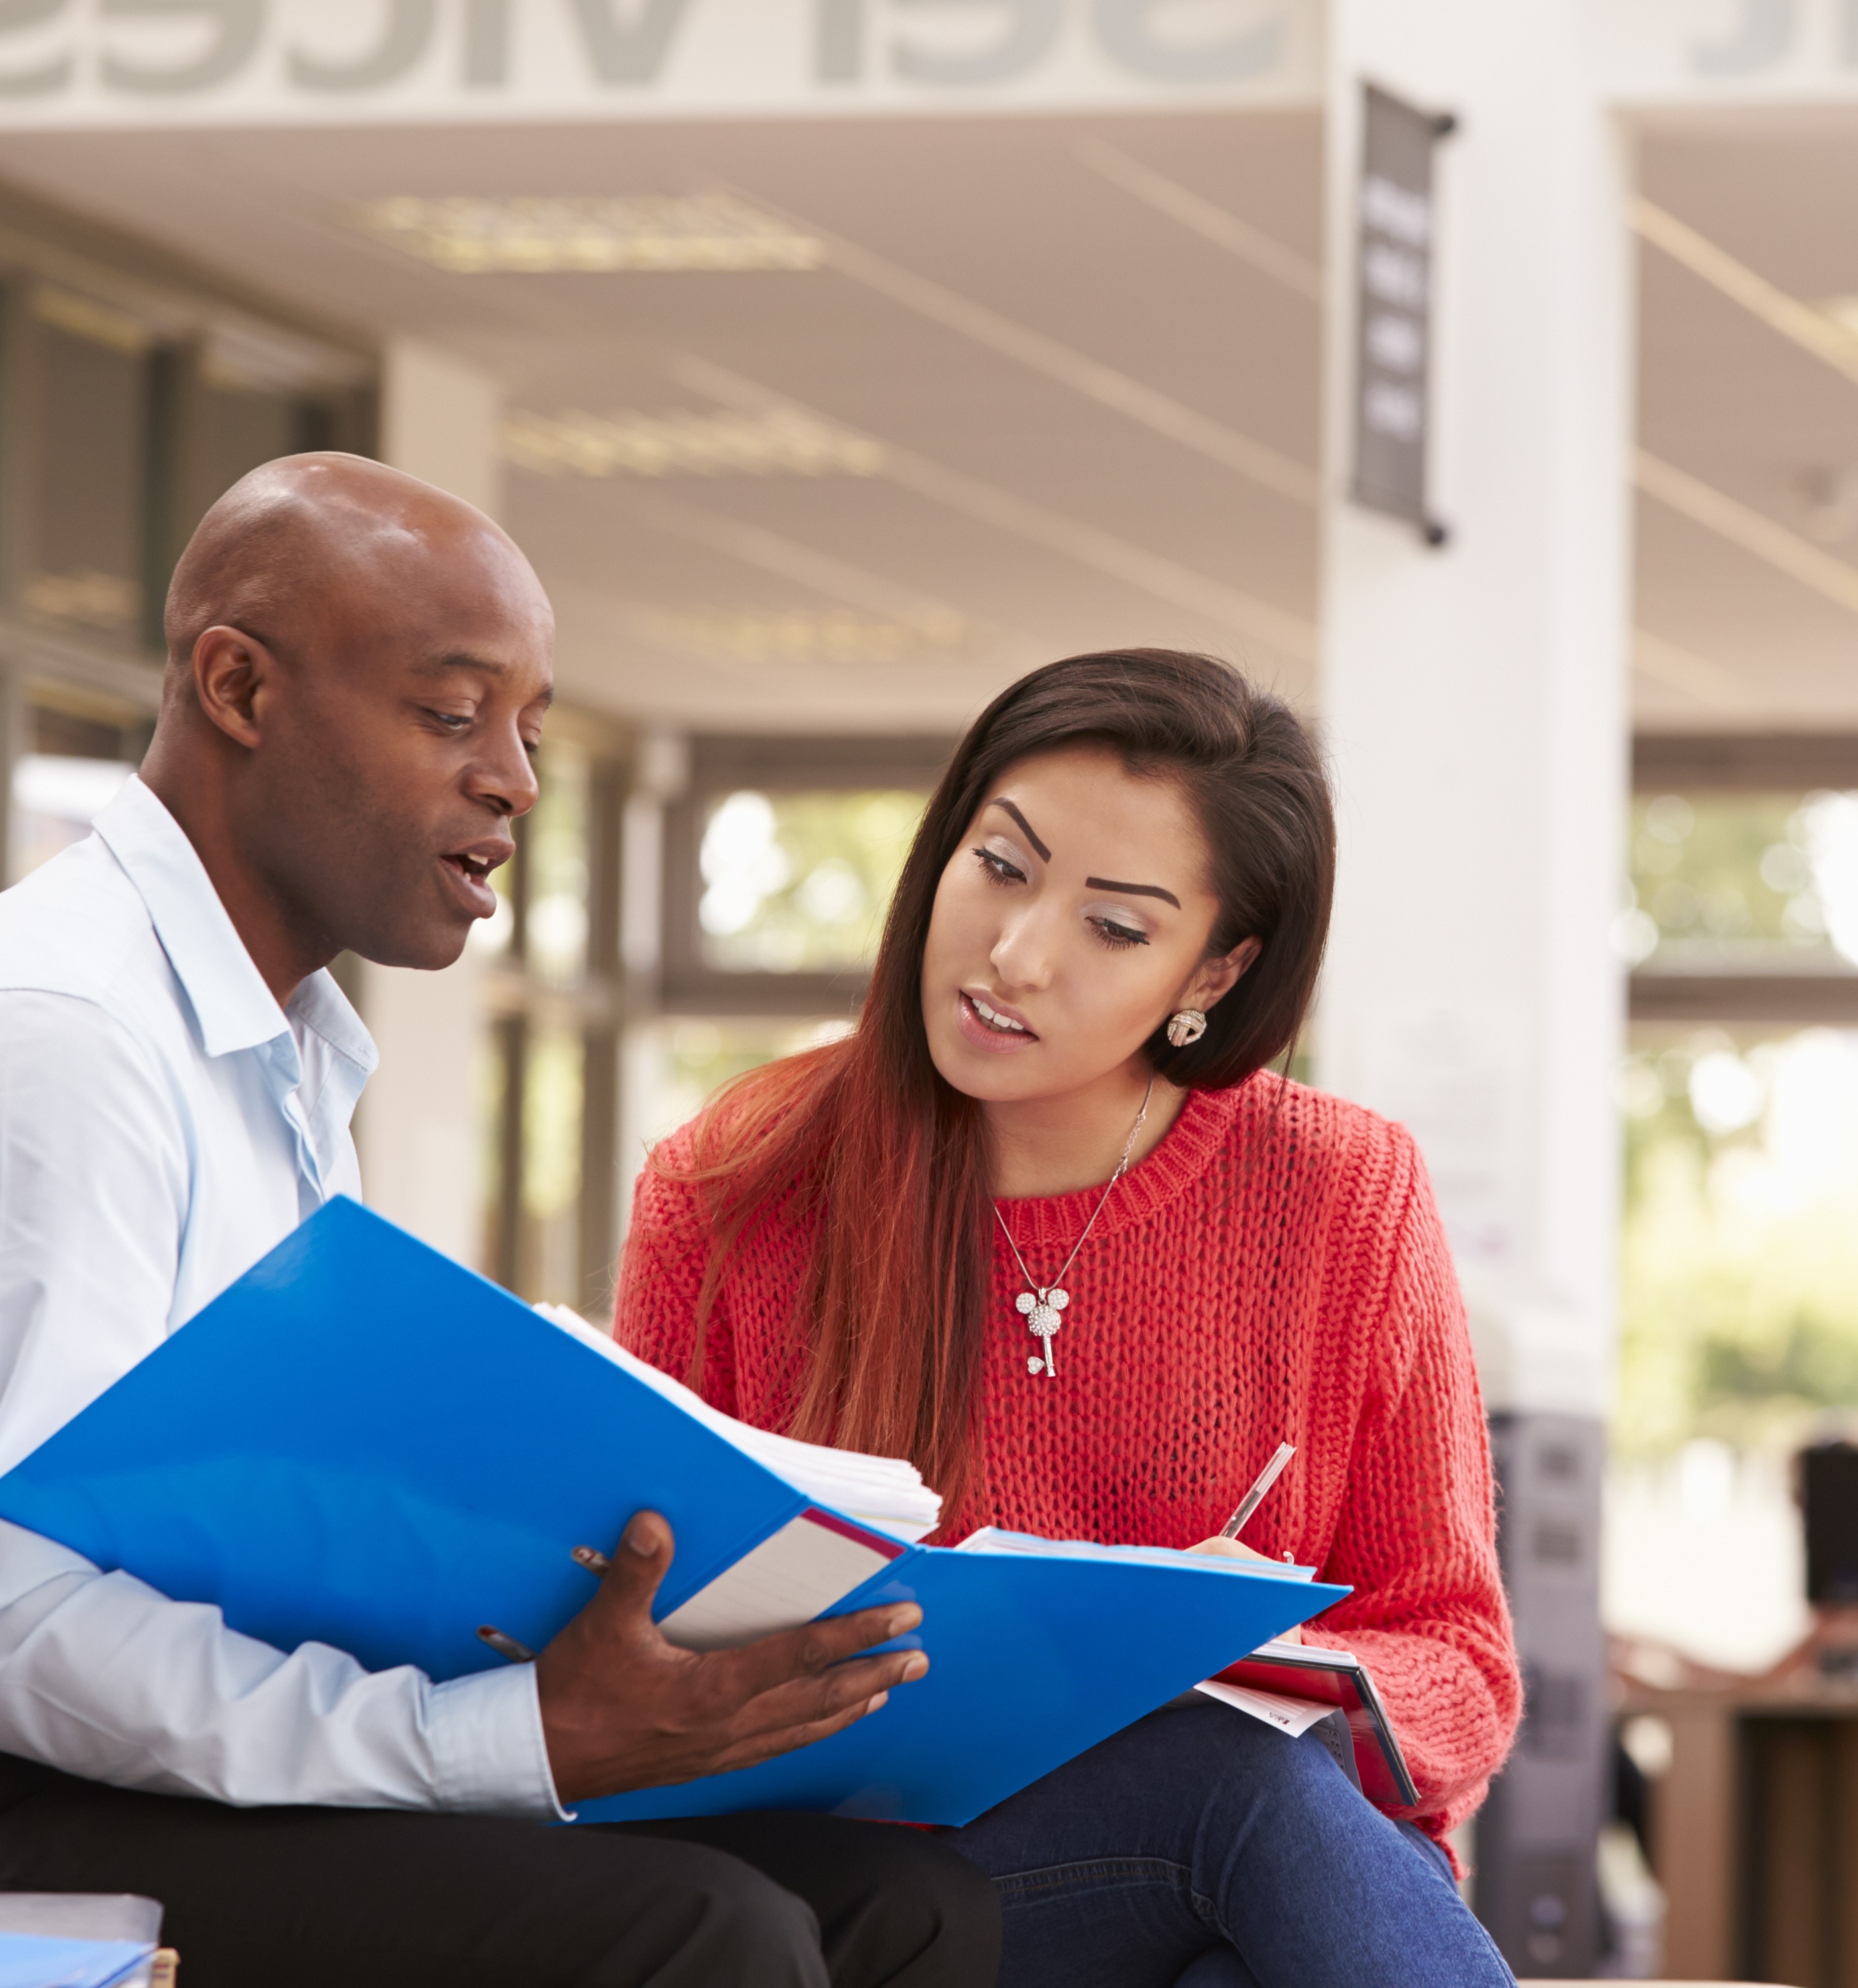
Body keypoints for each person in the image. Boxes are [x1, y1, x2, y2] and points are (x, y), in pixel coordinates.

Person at [0, 455, 998, 1988]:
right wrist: (509, 1732)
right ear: (236, 685)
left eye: (528, 728)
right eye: (452, 713)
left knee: (910, 1904)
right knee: (703, 1933)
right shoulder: (52, 1035)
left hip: (100, 1783)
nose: (512, 777)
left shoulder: (278, 1055)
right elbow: (9, 1627)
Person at [618, 650, 1522, 1988]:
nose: (1017, 955)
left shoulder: (1340, 1191)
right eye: (1000, 866)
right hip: (867, 1887)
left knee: (1234, 1831)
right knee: (1228, 1785)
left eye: (1115, 927)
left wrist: (1273, 1668)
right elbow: (632, 1630)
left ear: (1215, 970)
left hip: (1231, 1881)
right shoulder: (737, 1183)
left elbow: (1456, 1652)